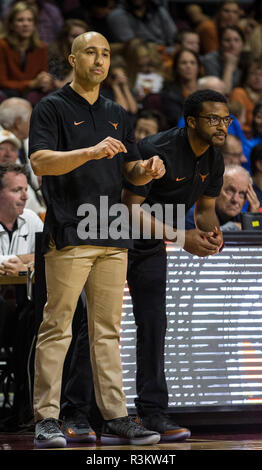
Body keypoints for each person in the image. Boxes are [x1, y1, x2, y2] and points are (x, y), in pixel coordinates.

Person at [29, 31, 165, 449]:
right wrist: (88, 151)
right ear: (72, 59)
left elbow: (127, 172)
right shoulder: (50, 107)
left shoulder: (117, 113)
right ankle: (46, 418)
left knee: (108, 331)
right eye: (91, 52)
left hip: (112, 231)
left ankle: (117, 416)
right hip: (70, 231)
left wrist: (147, 171)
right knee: (58, 326)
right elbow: (39, 162)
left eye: (105, 53)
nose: (100, 60)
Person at [120, 89, 228, 439]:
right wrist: (182, 238)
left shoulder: (214, 158)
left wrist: (212, 234)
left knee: (154, 325)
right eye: (213, 119)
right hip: (114, 240)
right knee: (98, 328)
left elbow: (206, 208)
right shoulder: (157, 149)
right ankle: (84, 412)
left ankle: (152, 413)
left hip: (151, 245)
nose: (222, 125)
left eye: (226, 119)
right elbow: (129, 210)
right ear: (192, 121)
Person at [0, 1, 53, 105]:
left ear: (34, 25)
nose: (26, 24)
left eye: (30, 20)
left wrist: (45, 81)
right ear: (11, 24)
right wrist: (31, 84)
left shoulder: (41, 47)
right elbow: (2, 82)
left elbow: (43, 74)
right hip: (8, 92)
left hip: (32, 92)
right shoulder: (2, 45)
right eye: (20, 20)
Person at [185, 164, 261, 231]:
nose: (235, 199)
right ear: (215, 189)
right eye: (230, 191)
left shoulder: (239, 218)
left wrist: (252, 217)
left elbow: (255, 238)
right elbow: (209, 240)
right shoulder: (193, 215)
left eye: (241, 194)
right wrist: (235, 227)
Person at [0, 162, 43, 274]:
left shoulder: (31, 218)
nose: (25, 197)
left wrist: (24, 269)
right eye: (17, 190)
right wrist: (29, 260)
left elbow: (50, 258)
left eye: (26, 190)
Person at [201, 25, 248, 96]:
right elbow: (223, 93)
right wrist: (229, 66)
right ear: (220, 44)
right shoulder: (210, 60)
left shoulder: (247, 61)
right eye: (227, 40)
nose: (232, 45)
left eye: (236, 40)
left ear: (243, 44)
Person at [106, 0, 177, 47]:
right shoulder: (117, 15)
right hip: (136, 58)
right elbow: (132, 45)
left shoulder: (159, 10)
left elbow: (175, 37)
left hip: (165, 53)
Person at [48, 18, 89, 90]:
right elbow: (61, 86)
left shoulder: (89, 55)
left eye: (83, 37)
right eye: (74, 36)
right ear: (64, 37)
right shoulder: (54, 55)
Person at [230, 59, 262, 135]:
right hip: (244, 136)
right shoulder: (239, 93)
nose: (258, 78)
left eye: (261, 75)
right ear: (246, 76)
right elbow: (236, 122)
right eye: (254, 74)